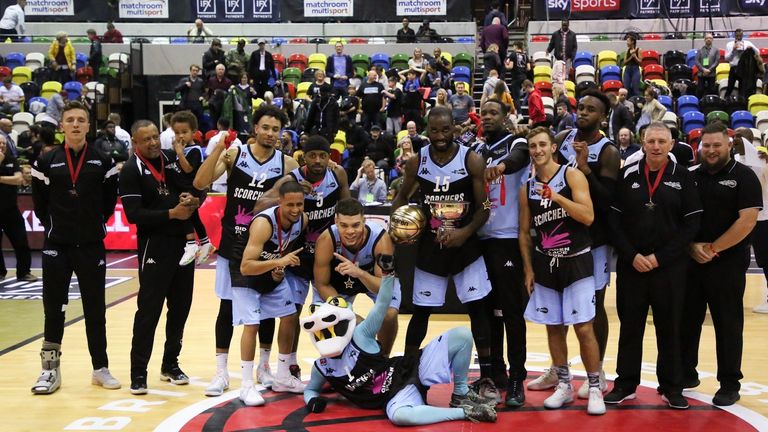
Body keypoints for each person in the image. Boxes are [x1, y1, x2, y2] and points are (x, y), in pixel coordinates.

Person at [302, 259, 498, 424]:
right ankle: (465, 412)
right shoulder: (322, 366)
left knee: (462, 335)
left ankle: (460, 394)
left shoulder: (360, 335)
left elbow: (382, 303)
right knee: (401, 417)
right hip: (395, 395)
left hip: (411, 368)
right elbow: (311, 388)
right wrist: (312, 401)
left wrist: (387, 275)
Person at [392, 106, 498, 402]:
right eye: (435, 130)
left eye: (446, 130)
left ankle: (487, 376)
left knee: (478, 309)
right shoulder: (416, 162)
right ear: (427, 131)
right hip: (431, 246)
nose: (440, 136)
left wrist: (464, 233)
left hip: (466, 247)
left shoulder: (471, 159)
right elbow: (400, 197)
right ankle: (408, 373)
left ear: (455, 129)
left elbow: (485, 206)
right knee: (421, 312)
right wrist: (401, 225)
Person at [193, 105, 298, 397]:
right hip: (232, 244)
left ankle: (264, 366)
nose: (270, 133)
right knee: (226, 308)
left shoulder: (286, 163)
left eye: (275, 129)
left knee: (265, 309)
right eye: (265, 127)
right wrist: (217, 149)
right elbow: (200, 182)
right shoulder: (236, 154)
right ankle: (221, 372)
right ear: (255, 128)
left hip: (268, 246)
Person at [530, 90, 620, 398]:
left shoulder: (608, 151)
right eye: (580, 106)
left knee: (591, 306)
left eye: (590, 109)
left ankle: (599, 369)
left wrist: (585, 168)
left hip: (594, 239)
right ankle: (560, 369)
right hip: (559, 235)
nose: (582, 112)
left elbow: (608, 201)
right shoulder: (564, 135)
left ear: (602, 116)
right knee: (557, 306)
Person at [606, 121, 702, 410]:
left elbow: (692, 224)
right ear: (642, 143)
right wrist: (631, 255)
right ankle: (625, 384)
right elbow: (613, 222)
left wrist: (661, 257)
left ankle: (672, 386)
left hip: (670, 267)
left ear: (672, 144)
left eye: (662, 141)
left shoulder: (683, 178)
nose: (657, 146)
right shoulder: (627, 176)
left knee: (670, 327)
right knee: (630, 327)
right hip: (631, 265)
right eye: (651, 141)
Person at [30, 101, 119, 394]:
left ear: (89, 125)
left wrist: (91, 225)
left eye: (82, 120)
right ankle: (49, 371)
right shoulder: (46, 161)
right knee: (53, 310)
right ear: (62, 126)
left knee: (96, 310)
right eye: (71, 120)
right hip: (57, 246)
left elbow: (107, 204)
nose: (76, 125)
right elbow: (41, 205)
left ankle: (100, 368)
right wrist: (61, 227)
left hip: (91, 246)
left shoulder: (103, 160)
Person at [518, 127, 605, 415]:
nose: (538, 150)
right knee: (554, 328)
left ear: (553, 147)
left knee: (583, 328)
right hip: (545, 263)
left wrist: (557, 198)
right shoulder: (527, 187)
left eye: (542, 144)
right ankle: (564, 385)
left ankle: (594, 387)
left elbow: (589, 216)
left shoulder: (571, 175)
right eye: (533, 146)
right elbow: (523, 233)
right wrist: (528, 269)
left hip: (577, 260)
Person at [252, 134, 351, 383]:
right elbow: (258, 207)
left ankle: (333, 367)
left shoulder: (337, 174)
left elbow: (348, 206)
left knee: (330, 312)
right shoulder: (291, 179)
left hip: (326, 254)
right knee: (291, 313)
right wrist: (288, 195)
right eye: (312, 155)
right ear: (302, 157)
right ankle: (290, 364)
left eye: (323, 155)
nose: (318, 160)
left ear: (330, 157)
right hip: (296, 254)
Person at [681, 122, 761, 407]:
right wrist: (691, 247)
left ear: (729, 145)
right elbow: (680, 218)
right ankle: (685, 375)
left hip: (727, 262)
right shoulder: (690, 176)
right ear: (700, 147)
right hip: (692, 261)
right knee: (687, 321)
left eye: (717, 145)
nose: (712, 150)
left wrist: (713, 248)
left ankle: (729, 383)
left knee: (727, 324)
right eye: (707, 145)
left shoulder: (744, 176)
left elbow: (747, 220)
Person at [118, 119, 200, 394]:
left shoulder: (169, 158)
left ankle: (170, 365)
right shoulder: (130, 170)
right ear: (135, 142)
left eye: (155, 136)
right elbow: (133, 215)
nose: (153, 142)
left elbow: (187, 187)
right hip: (154, 246)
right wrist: (171, 214)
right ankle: (138, 373)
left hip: (183, 246)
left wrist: (192, 200)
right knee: (149, 312)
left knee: (180, 310)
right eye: (146, 139)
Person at [472, 99, 530, 406]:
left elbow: (520, 157)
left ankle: (519, 380)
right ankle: (497, 373)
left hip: (508, 238)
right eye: (484, 114)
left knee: (511, 312)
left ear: (506, 116)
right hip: (482, 238)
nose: (488, 118)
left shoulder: (517, 141)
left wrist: (501, 167)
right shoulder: (477, 151)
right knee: (487, 312)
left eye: (494, 113)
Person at [238, 180, 309, 405]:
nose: (296, 209)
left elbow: (281, 249)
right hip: (244, 272)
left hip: (270, 268)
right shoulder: (263, 223)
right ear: (280, 202)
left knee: (290, 316)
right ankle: (246, 385)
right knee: (252, 324)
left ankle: (283, 376)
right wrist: (280, 261)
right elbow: (246, 266)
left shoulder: (302, 221)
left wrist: (279, 269)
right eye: (290, 205)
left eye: (300, 204)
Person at [313, 198, 399, 353]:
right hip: (336, 283)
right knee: (330, 316)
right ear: (336, 222)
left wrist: (359, 273)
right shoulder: (326, 240)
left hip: (369, 278)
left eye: (355, 225)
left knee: (390, 314)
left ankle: (383, 359)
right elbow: (322, 284)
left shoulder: (380, 239)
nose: (350, 231)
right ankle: (340, 362)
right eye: (344, 225)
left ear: (364, 221)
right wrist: (347, 313)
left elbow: (383, 287)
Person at [169, 111, 215, 266]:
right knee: (194, 218)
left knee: (185, 214)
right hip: (181, 187)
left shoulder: (194, 150)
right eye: (177, 132)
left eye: (184, 132)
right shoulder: (178, 150)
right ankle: (205, 242)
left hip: (192, 189)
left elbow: (188, 169)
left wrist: (179, 153)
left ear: (193, 133)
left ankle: (190, 244)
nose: (180, 136)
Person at [0, 134, 34, 282]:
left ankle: (24, 272)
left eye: (3, 144)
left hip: (10, 209)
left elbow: (19, 179)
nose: (2, 146)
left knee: (21, 242)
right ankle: (0, 272)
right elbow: (12, 179)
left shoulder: (11, 160)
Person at [724, 29, 757, 98]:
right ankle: (725, 101)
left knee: (742, 89)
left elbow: (758, 52)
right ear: (735, 35)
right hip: (733, 68)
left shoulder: (747, 43)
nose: (739, 36)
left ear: (742, 35)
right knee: (730, 87)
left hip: (743, 69)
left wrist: (751, 48)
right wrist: (733, 50)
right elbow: (726, 58)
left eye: (740, 35)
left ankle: (741, 103)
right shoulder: (729, 44)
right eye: (737, 35)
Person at [695, 33, 719, 98]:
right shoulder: (700, 49)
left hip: (712, 73)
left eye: (710, 38)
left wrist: (709, 70)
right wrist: (703, 70)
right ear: (704, 40)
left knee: (712, 90)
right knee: (700, 90)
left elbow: (717, 61)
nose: (708, 39)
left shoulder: (716, 50)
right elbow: (696, 61)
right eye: (707, 38)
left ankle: (710, 104)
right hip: (701, 73)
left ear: (712, 40)